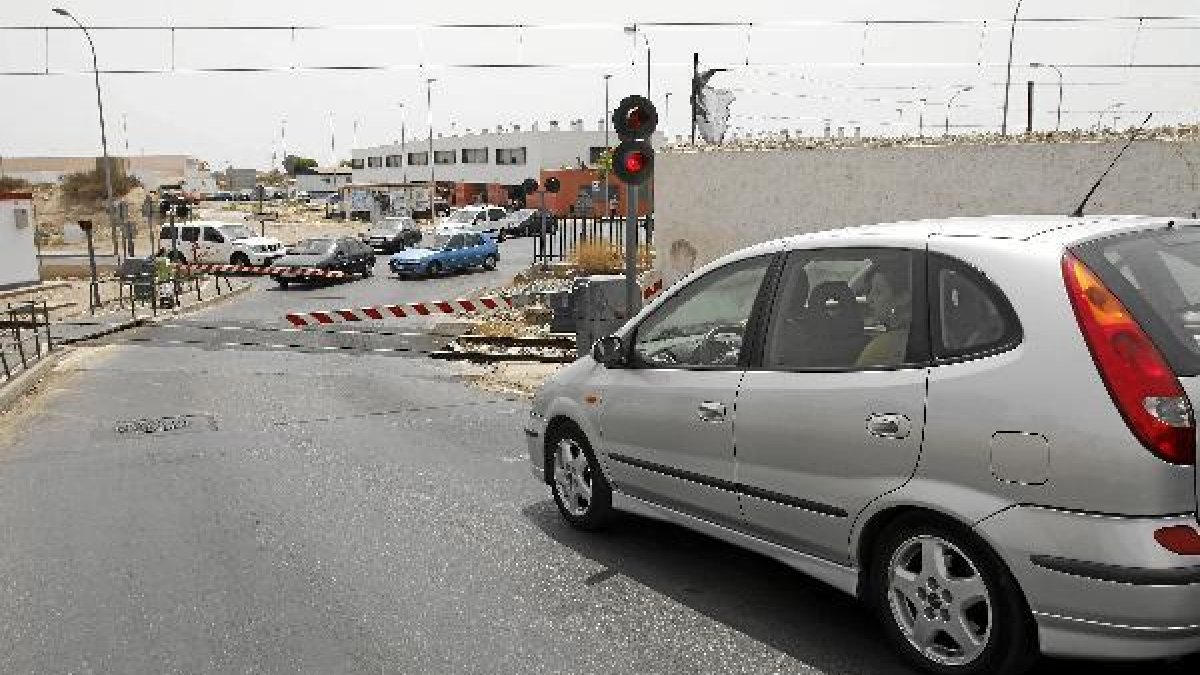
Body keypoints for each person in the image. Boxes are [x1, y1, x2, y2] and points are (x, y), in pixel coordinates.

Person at [856, 258, 912, 367]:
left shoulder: (883, 347)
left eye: (878, 292)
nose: (869, 299)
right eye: (870, 290)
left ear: (902, 298)